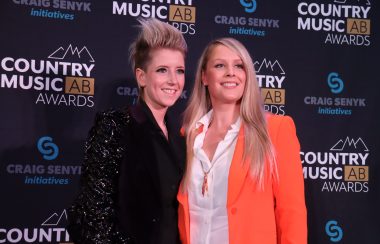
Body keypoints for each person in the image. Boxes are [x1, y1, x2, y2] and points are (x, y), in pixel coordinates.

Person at [67, 18, 187, 244]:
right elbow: (93, 214)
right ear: (141, 77)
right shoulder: (115, 126)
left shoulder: (183, 136)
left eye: (179, 71)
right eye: (162, 70)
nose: (173, 80)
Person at [177, 37, 307, 244]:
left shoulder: (275, 130)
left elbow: (292, 212)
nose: (231, 72)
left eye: (239, 66)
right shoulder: (187, 135)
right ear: (204, 77)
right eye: (220, 65)